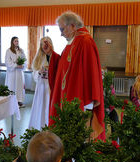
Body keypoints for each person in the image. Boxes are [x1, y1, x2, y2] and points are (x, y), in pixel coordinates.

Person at [47, 11, 105, 140]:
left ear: (72, 26)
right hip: (69, 97)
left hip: (80, 99)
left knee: (79, 137)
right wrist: (51, 54)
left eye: (62, 29)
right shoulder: (73, 42)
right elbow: (63, 66)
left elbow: (91, 73)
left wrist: (89, 102)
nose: (61, 33)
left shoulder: (85, 42)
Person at [28, 37, 54, 130]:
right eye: (43, 44)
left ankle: (49, 126)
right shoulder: (38, 57)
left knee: (49, 107)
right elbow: (34, 73)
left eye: (47, 44)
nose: (45, 46)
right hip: (41, 86)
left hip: (50, 87)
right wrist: (39, 72)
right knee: (41, 108)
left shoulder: (54, 56)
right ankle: (39, 126)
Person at [5, 36, 26, 108]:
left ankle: (19, 101)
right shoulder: (9, 51)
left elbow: (25, 59)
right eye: (15, 41)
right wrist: (16, 65)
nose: (17, 42)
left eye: (17, 41)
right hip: (12, 73)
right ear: (12, 42)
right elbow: (7, 62)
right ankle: (12, 102)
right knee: (12, 86)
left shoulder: (21, 50)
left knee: (19, 86)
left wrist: (22, 65)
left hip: (19, 73)